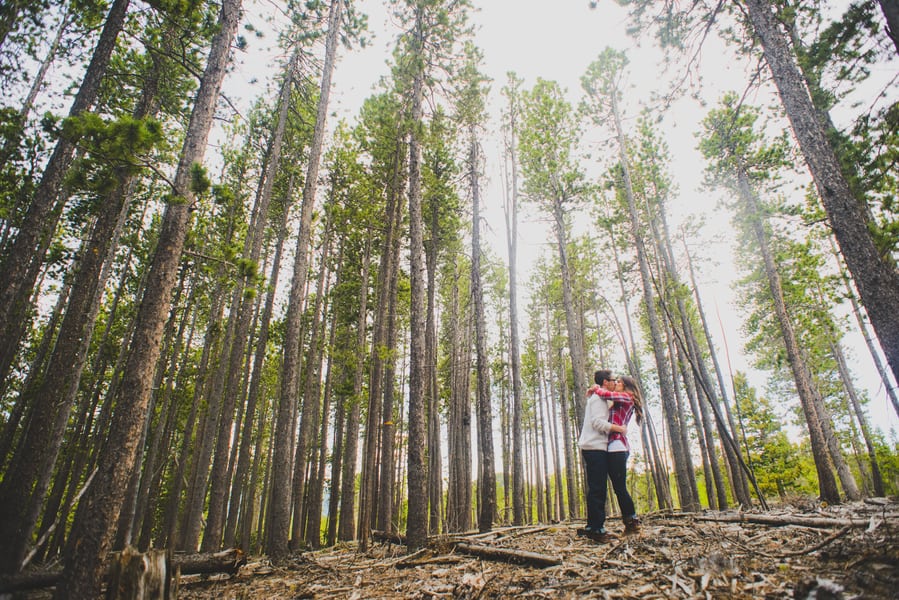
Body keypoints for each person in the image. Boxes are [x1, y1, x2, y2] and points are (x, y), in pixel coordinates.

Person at [577, 369, 629, 542]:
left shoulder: (601, 397)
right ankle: (597, 530)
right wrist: (618, 429)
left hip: (597, 446)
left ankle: (593, 526)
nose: (615, 383)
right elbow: (597, 423)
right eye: (613, 380)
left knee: (597, 487)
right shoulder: (598, 399)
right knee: (598, 488)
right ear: (606, 382)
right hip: (594, 447)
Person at [606, 375, 643, 534]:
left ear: (626, 386)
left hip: (617, 446)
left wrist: (596, 389)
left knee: (620, 487)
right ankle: (630, 521)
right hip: (614, 446)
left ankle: (632, 522)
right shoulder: (622, 399)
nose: (616, 384)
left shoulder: (627, 397)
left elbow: (607, 394)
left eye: (619, 382)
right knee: (618, 487)